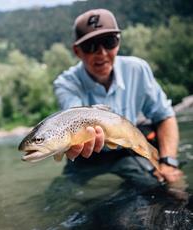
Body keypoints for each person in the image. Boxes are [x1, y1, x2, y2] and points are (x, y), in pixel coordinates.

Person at [53, 9, 183, 186]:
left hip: (126, 151)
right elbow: (71, 116)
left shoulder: (138, 69)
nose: (102, 53)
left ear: (118, 42)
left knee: (166, 187)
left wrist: (168, 162)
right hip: (85, 156)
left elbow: (164, 116)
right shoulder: (66, 83)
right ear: (77, 51)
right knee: (61, 200)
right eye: (91, 45)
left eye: (109, 42)